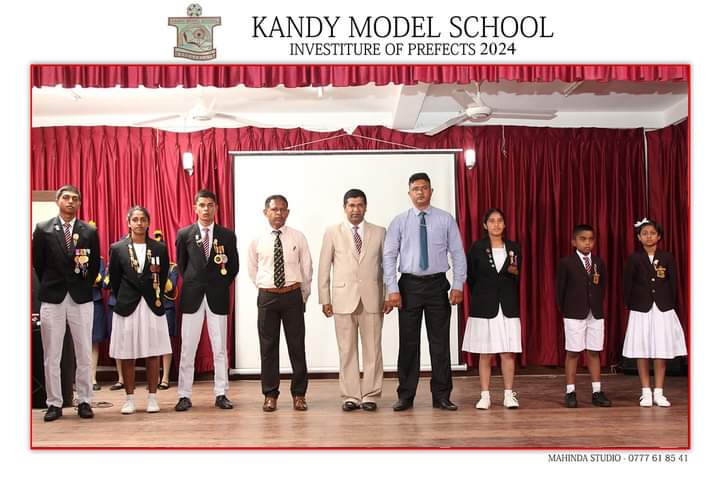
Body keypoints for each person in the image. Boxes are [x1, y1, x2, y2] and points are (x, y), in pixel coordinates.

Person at [383, 173, 466, 411]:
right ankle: (406, 395)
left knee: (439, 343)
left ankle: (441, 396)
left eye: (424, 188)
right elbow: (389, 256)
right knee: (408, 343)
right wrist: (392, 289)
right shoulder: (399, 221)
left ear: (431, 191)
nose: (420, 192)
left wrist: (458, 284)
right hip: (409, 286)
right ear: (409, 193)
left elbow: (457, 253)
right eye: (416, 189)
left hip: (437, 285)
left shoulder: (445, 219)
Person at [318, 189, 391, 412]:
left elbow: (387, 266)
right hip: (342, 299)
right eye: (351, 205)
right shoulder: (332, 232)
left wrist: (389, 295)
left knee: (373, 350)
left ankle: (370, 395)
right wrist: (325, 298)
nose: (355, 210)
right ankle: (350, 395)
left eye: (360, 205)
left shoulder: (380, 232)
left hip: (373, 298)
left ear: (365, 207)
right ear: (345, 208)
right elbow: (324, 267)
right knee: (346, 350)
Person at [32, 185, 100, 421]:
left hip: (81, 297)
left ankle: (85, 400)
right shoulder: (43, 229)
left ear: (79, 203)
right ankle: (54, 403)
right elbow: (38, 263)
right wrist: (52, 283)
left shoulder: (88, 231)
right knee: (52, 354)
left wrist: (82, 285)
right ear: (58, 201)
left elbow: (93, 266)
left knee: (84, 352)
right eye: (66, 198)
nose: (71, 201)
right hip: (53, 297)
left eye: (75, 199)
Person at [174, 190, 239, 411]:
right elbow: (181, 266)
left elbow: (233, 267)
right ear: (195, 207)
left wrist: (218, 284)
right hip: (192, 296)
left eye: (210, 205)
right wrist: (195, 282)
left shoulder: (227, 235)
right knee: (187, 348)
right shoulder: (184, 234)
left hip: (217, 296)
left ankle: (221, 393)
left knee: (219, 348)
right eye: (201, 205)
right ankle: (184, 394)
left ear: (216, 208)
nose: (206, 209)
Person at [248, 195, 312, 412]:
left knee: (297, 346)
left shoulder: (298, 237)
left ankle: (299, 394)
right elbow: (252, 269)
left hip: (292, 295)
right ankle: (270, 394)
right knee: (268, 348)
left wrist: (303, 296)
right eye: (274, 209)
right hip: (267, 297)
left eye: (283, 209)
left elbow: (307, 268)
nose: (279, 213)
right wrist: (265, 287)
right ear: (266, 212)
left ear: (288, 212)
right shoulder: (257, 239)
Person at [108, 206, 172, 414]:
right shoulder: (117, 248)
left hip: (152, 305)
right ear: (128, 223)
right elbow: (114, 280)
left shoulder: (159, 248)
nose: (139, 223)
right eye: (135, 219)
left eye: (143, 219)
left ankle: (152, 398)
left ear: (148, 222)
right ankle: (129, 399)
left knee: (153, 352)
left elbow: (163, 276)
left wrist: (152, 294)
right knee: (127, 353)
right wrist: (126, 296)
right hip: (127, 305)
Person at [622, 218, 687, 407]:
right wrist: (632, 304)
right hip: (641, 309)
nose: (648, 236)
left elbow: (673, 284)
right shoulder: (634, 258)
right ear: (638, 237)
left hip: (662, 308)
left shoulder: (667, 257)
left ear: (658, 236)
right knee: (641, 349)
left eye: (652, 233)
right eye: (644, 234)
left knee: (661, 349)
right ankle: (645, 392)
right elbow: (627, 285)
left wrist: (670, 304)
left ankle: (659, 392)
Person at [462, 208, 521, 409]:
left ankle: (508, 395)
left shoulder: (513, 248)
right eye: (492, 221)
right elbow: (471, 277)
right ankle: (485, 395)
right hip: (484, 306)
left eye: (500, 220)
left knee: (507, 353)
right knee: (485, 353)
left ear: (504, 224)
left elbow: (516, 276)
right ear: (485, 225)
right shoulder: (477, 248)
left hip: (507, 306)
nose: (496, 224)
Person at [555, 224, 612, 408]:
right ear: (574, 242)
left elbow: (602, 287)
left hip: (595, 313)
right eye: (583, 239)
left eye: (590, 239)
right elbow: (560, 291)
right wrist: (567, 311)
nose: (587, 243)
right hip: (574, 313)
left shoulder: (598, 263)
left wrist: (595, 305)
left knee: (594, 352)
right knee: (573, 352)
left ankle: (597, 391)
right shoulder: (567, 263)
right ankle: (570, 392)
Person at [153, 229, 178, 390]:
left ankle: (165, 377)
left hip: (167, 307)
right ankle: (154, 376)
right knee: (153, 342)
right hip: (151, 308)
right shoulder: (148, 267)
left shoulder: (172, 268)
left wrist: (160, 271)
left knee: (166, 342)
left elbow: (170, 287)